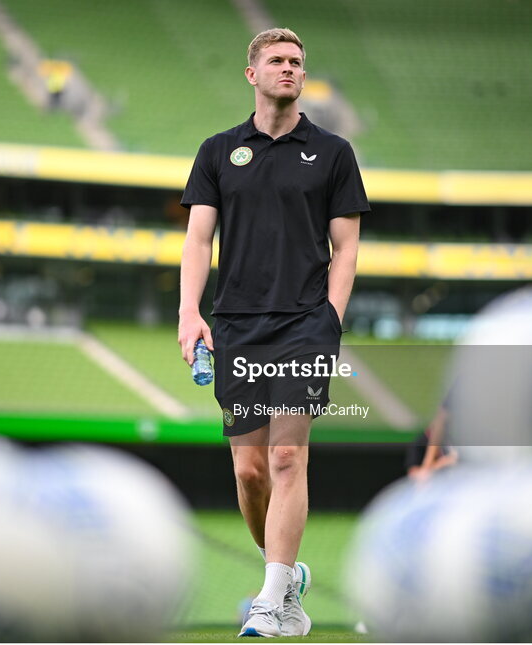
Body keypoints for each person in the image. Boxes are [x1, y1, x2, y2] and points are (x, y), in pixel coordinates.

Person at [178, 28, 368, 638]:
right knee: (251, 473)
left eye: (296, 62)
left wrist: (331, 318)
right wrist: (190, 312)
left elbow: (345, 249)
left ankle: (268, 600)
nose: (288, 70)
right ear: (251, 74)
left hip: (304, 324)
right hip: (236, 323)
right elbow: (199, 240)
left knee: (288, 456)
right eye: (277, 62)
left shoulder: (334, 153)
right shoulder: (217, 151)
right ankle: (286, 579)